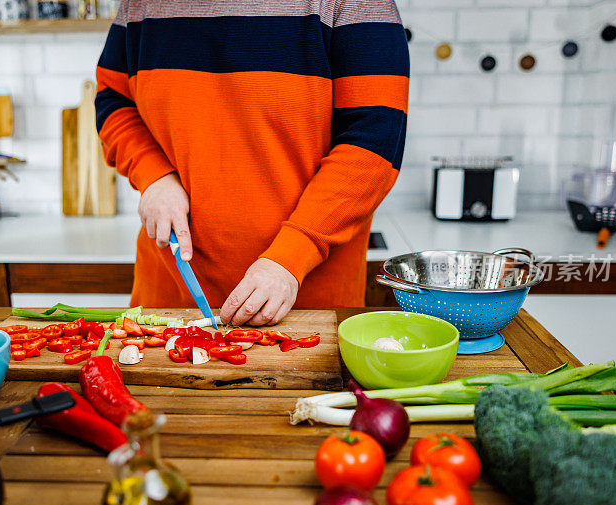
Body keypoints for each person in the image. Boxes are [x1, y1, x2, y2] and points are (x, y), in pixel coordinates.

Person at [95, 0, 409, 326]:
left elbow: (372, 145)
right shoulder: (141, 5)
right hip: (167, 305)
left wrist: (290, 259)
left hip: (305, 312)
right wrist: (154, 175)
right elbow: (113, 100)